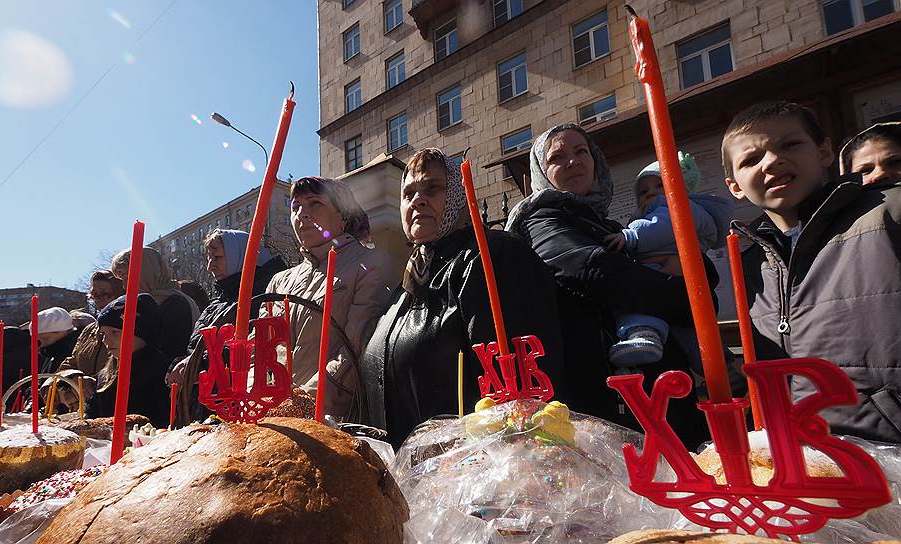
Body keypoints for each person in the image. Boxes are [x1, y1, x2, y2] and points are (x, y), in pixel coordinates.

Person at [505, 123, 709, 449]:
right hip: (605, 394)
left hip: (653, 383)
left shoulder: (610, 225)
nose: (573, 161)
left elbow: (691, 263)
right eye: (557, 157)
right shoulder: (542, 220)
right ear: (542, 171)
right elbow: (599, 273)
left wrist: (699, 278)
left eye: (580, 151)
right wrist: (690, 296)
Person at [725, 102, 901, 443]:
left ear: (823, 152)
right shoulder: (750, 262)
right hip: (802, 461)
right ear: (735, 187)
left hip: (886, 448)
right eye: (751, 159)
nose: (772, 161)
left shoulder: (889, 213)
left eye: (789, 145)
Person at [363, 149, 565, 447]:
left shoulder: (489, 257)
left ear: (459, 195)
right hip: (408, 476)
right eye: (408, 193)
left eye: (432, 188)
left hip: (471, 476)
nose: (417, 200)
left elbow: (517, 392)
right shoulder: (406, 285)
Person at [261, 177, 396, 422]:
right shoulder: (279, 281)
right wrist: (256, 399)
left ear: (343, 214)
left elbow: (356, 348)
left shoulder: (369, 264)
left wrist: (304, 402)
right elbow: (258, 350)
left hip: (334, 419)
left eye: (315, 204)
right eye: (295, 207)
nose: (302, 214)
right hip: (272, 417)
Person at [603, 152, 732, 375]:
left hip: (660, 266)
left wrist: (631, 236)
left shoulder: (677, 208)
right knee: (687, 331)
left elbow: (662, 225)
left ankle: (642, 334)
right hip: (676, 276)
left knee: (638, 298)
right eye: (643, 191)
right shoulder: (660, 212)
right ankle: (716, 363)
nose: (651, 193)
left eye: (659, 185)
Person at [164, 228, 287, 419]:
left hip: (237, 406)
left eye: (218, 258)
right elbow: (196, 347)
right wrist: (179, 366)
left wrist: (197, 365)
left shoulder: (260, 299)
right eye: (209, 258)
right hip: (200, 404)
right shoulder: (219, 301)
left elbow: (250, 349)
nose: (210, 267)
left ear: (240, 255)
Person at [87, 294, 171, 428]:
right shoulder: (106, 374)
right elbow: (92, 416)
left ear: (142, 333)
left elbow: (163, 420)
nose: (105, 341)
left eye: (114, 332)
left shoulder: (162, 372)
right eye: (103, 334)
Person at [51, 270, 126, 410]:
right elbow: (69, 364)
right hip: (84, 410)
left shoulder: (129, 328)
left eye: (105, 294)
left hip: (113, 406)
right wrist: (74, 378)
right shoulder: (89, 331)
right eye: (94, 295)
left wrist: (94, 384)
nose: (98, 299)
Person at [111, 246, 199, 360]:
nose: (124, 285)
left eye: (125, 275)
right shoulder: (140, 305)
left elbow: (167, 355)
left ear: (144, 271)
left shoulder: (176, 305)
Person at [29, 307, 83, 374]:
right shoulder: (52, 351)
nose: (43, 344)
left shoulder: (76, 352)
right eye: (39, 340)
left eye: (45, 338)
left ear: (63, 331)